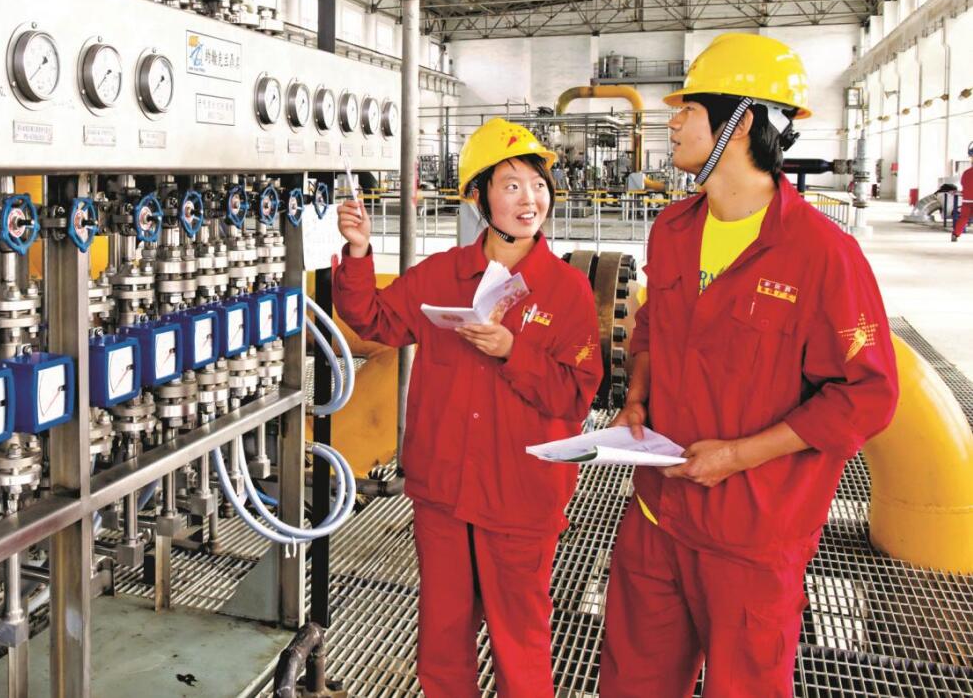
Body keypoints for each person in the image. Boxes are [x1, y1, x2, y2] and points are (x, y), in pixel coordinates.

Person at [599, 34, 899, 698]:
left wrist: (738, 455)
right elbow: (650, 326)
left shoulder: (822, 255)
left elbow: (867, 394)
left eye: (689, 109)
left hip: (752, 537)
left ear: (740, 123)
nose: (673, 122)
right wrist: (637, 398)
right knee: (631, 683)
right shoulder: (672, 229)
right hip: (655, 516)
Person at [334, 118, 603, 698]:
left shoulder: (566, 290)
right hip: (444, 491)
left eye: (538, 185)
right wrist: (358, 252)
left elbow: (576, 395)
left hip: (520, 496)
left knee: (520, 640)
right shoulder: (443, 275)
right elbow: (374, 320)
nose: (530, 200)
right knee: (443, 635)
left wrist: (514, 352)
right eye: (511, 185)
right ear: (479, 197)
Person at [951, 144, 973, 242]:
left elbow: (964, 184)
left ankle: (955, 234)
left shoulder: (966, 173)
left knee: (963, 217)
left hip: (967, 200)